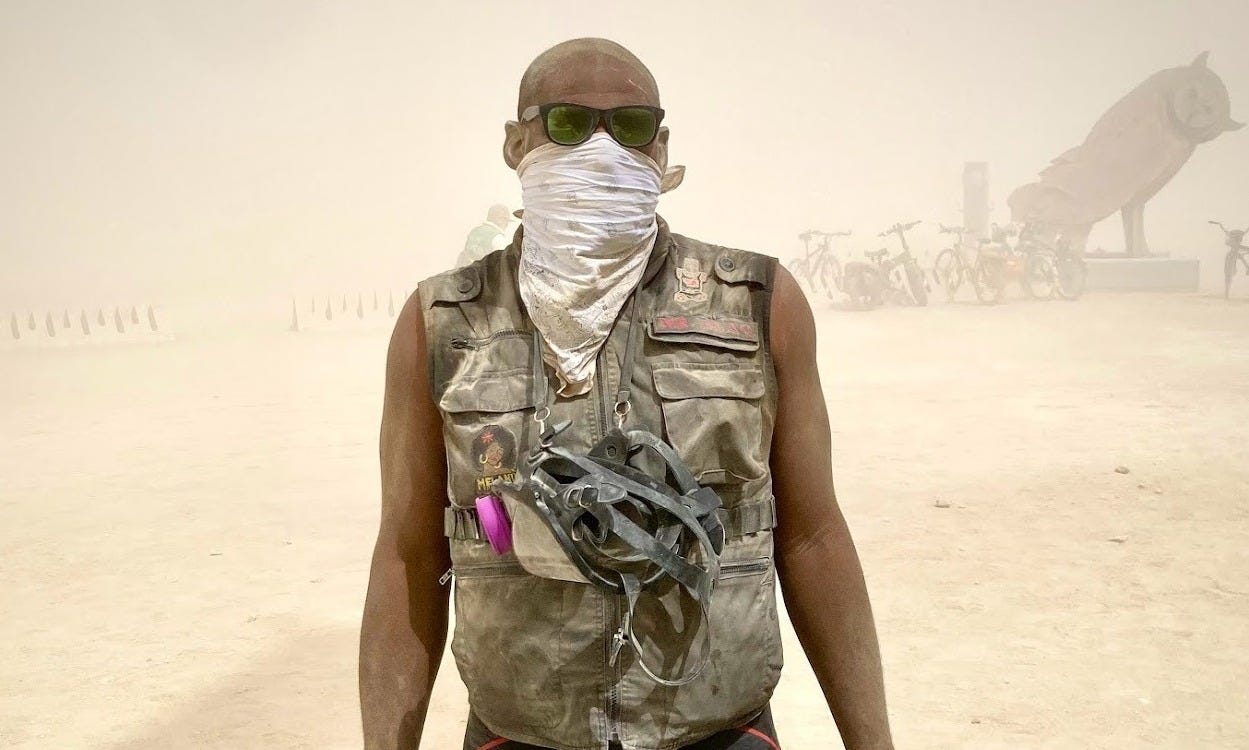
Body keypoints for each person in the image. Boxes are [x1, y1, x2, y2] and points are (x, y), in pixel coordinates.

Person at [360, 38, 895, 750]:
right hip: (519, 733)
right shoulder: (444, 323)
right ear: (516, 144)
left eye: (631, 126)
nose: (602, 149)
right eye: (568, 124)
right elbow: (409, 554)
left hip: (719, 728)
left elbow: (811, 535)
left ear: (660, 149)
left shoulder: (757, 303)